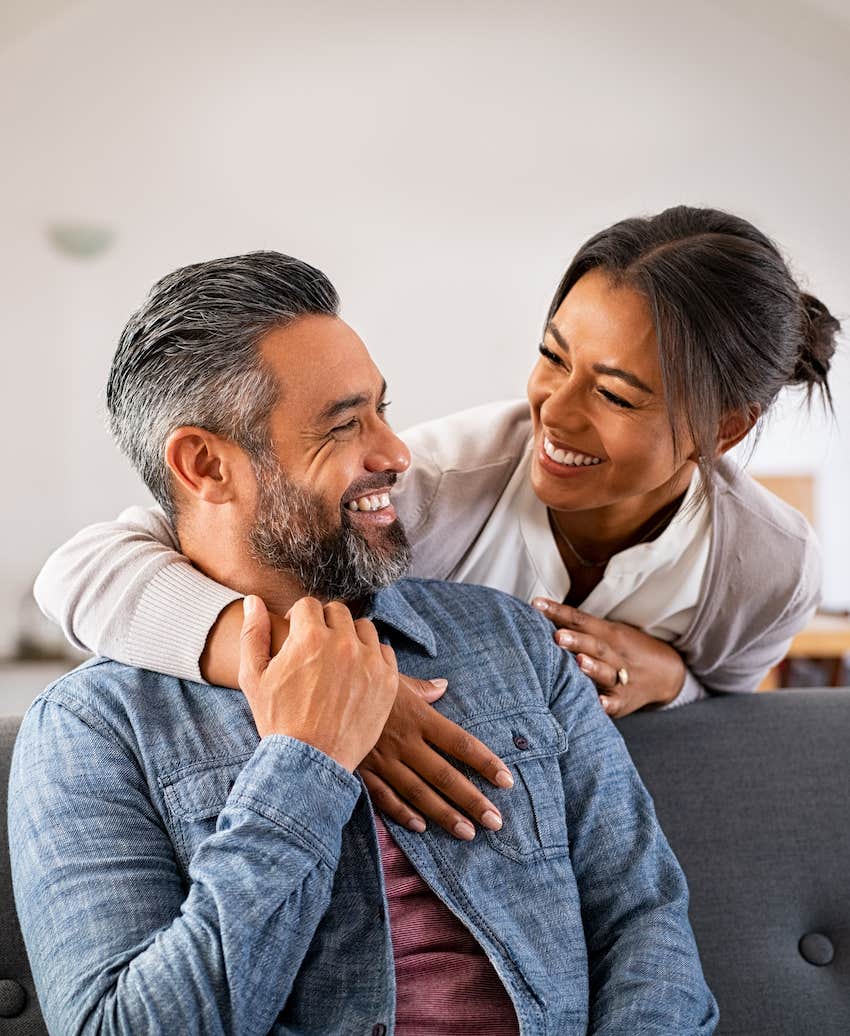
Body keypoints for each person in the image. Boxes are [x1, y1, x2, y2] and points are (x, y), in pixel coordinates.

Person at [9, 252, 718, 1035]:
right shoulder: (92, 729)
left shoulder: (514, 641)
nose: (396, 453)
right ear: (205, 465)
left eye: (383, 410)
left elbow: (645, 922)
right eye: (345, 425)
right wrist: (304, 763)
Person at [34, 206, 839, 841]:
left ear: (722, 430)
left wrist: (672, 680)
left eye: (615, 394)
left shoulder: (766, 566)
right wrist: (333, 683)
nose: (554, 412)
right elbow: (82, 571)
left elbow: (724, 719)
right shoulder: (434, 485)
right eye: (552, 356)